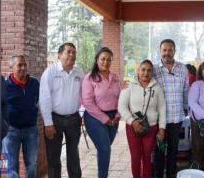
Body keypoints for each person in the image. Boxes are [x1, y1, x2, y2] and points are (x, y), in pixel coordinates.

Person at [39, 43, 84, 178]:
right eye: (68, 52)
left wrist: (82, 115)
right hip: (54, 120)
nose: (72, 55)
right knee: (53, 158)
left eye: (74, 52)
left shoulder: (79, 73)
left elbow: (85, 95)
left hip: (74, 119)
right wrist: (48, 123)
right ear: (59, 55)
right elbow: (44, 98)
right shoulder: (50, 72)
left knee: (73, 156)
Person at [118, 59, 166, 178]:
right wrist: (132, 121)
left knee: (147, 156)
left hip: (151, 127)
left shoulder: (157, 88)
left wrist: (162, 128)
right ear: (138, 71)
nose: (146, 73)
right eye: (143, 70)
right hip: (132, 127)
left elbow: (162, 109)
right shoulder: (128, 86)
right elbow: (122, 106)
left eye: (149, 70)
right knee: (135, 157)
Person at [81, 47, 121, 178]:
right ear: (97, 60)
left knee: (104, 148)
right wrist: (105, 119)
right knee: (105, 149)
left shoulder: (115, 78)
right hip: (94, 118)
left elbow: (121, 98)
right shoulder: (89, 78)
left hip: (113, 118)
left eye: (109, 59)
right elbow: (88, 103)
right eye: (103, 59)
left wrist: (117, 116)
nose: (106, 62)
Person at [153, 39, 189, 178]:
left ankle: (171, 175)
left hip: (176, 118)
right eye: (164, 50)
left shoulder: (182, 68)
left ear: (174, 51)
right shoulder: (154, 69)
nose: (167, 53)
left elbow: (186, 91)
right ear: (160, 51)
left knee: (173, 151)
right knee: (159, 151)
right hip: (159, 119)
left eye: (170, 50)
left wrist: (185, 109)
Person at [3, 55, 39, 178]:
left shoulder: (34, 83)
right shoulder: (4, 86)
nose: (23, 68)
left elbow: (39, 101)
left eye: (25, 64)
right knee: (11, 166)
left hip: (31, 130)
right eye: (19, 65)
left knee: (32, 163)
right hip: (11, 131)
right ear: (11, 67)